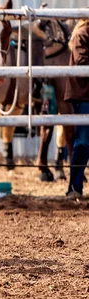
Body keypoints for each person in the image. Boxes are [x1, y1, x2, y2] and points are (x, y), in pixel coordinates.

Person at [65, 19, 89, 198]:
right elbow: (82, 60)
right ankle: (74, 187)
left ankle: (75, 187)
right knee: (83, 140)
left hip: (84, 93)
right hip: (85, 93)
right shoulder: (83, 33)